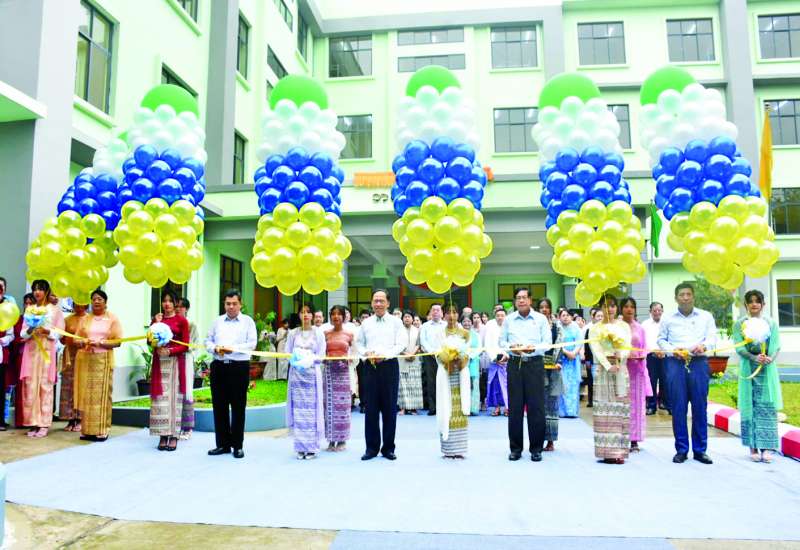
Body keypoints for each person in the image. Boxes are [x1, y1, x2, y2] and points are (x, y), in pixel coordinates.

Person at [657, 282, 716, 465]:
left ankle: (700, 450)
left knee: (700, 406)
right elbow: (661, 340)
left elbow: (712, 338)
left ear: (693, 296)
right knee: (678, 407)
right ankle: (681, 449)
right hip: (675, 364)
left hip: (699, 363)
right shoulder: (667, 318)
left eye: (688, 294)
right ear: (676, 298)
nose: (685, 297)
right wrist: (672, 350)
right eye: (681, 295)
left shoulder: (705, 316)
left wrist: (704, 346)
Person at [499, 288, 551, 462]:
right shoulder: (508, 320)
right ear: (515, 301)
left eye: (524, 297)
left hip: (534, 364)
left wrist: (533, 348)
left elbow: (547, 343)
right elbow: (502, 341)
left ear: (530, 300)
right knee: (515, 408)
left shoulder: (540, 319)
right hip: (515, 364)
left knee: (536, 408)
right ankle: (515, 449)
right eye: (518, 298)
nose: (521, 301)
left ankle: (536, 449)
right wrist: (512, 347)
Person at [205, 289, 257, 459]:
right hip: (219, 367)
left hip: (239, 368)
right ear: (224, 304)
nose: (231, 307)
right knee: (219, 407)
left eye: (234, 303)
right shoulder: (217, 321)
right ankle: (222, 445)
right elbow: (207, 341)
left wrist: (232, 349)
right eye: (228, 303)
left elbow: (252, 344)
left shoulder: (248, 322)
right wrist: (215, 348)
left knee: (238, 407)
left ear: (240, 304)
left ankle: (237, 446)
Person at [734, 290, 782, 463]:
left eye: (757, 301)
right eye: (751, 301)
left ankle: (767, 448)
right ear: (746, 305)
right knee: (750, 407)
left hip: (767, 370)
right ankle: (753, 447)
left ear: (763, 304)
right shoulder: (740, 324)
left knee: (767, 407)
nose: (754, 304)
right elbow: (739, 347)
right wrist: (754, 357)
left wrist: (769, 358)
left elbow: (776, 345)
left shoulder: (771, 323)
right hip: (749, 368)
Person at [356, 289, 404, 461]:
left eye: (381, 301)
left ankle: (388, 448)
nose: (378, 304)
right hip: (370, 367)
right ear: (371, 303)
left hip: (389, 366)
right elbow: (359, 344)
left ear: (388, 303)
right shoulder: (366, 323)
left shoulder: (396, 322)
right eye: (375, 300)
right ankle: (371, 448)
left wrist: (386, 355)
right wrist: (366, 353)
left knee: (390, 408)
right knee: (371, 409)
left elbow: (401, 343)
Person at [73, 290, 122, 441]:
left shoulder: (112, 318)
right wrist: (82, 342)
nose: (96, 301)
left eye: (100, 299)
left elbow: (118, 341)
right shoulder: (85, 319)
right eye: (94, 299)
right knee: (87, 394)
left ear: (105, 302)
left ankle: (102, 429)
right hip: (87, 359)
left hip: (103, 360)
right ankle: (87, 430)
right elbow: (75, 339)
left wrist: (101, 343)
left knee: (102, 395)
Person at [19, 280, 65, 438]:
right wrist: (31, 329)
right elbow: (22, 333)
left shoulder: (55, 310)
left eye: (41, 289)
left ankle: (44, 424)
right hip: (31, 352)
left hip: (46, 352)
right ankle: (33, 422)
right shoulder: (30, 309)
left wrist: (48, 332)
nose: (37, 292)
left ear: (47, 291)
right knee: (30, 386)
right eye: (35, 289)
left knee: (45, 386)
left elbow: (60, 333)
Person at [589, 294, 631, 464]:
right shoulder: (595, 328)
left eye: (613, 305)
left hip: (621, 370)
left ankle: (619, 452)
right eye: (606, 306)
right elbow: (596, 349)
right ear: (601, 308)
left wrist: (621, 357)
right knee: (605, 409)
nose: (610, 309)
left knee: (620, 409)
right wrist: (608, 365)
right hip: (604, 371)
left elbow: (627, 345)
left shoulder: (623, 326)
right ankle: (607, 452)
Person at [149, 290, 190, 452]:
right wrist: (154, 323)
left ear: (175, 303)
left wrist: (170, 351)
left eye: (170, 301)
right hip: (159, 363)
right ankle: (162, 434)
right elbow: (149, 340)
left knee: (174, 398)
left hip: (175, 363)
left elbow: (185, 345)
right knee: (160, 399)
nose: (167, 304)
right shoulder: (158, 319)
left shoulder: (182, 321)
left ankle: (173, 435)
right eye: (164, 301)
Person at [286, 304, 326, 459]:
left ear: (313, 315)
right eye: (302, 312)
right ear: (298, 315)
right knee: (298, 411)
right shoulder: (293, 333)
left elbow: (321, 354)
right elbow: (287, 353)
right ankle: (300, 447)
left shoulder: (318, 333)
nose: (306, 315)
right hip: (296, 377)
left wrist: (309, 359)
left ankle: (311, 448)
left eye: (309, 312)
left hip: (312, 376)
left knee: (311, 411)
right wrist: (297, 359)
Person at [437, 304, 471, 458]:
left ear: (458, 315)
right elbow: (437, 353)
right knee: (446, 407)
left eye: (454, 312)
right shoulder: (439, 333)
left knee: (460, 407)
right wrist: (448, 357)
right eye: (448, 312)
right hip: (445, 372)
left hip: (460, 373)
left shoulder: (465, 333)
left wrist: (459, 357)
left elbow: (468, 353)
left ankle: (460, 448)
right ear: (444, 315)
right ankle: (448, 448)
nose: (451, 315)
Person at [621, 297, 651, 452]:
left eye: (632, 306)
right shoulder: (616, 327)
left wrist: (641, 356)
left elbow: (645, 348)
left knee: (636, 405)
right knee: (622, 404)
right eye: (626, 306)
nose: (629, 309)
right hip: (621, 370)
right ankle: (620, 437)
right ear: (621, 309)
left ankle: (634, 440)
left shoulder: (640, 328)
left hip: (637, 371)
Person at [323, 305, 352, 452]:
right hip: (329, 373)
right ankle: (331, 439)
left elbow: (354, 354)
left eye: (339, 314)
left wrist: (348, 360)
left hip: (343, 373)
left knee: (342, 407)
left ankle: (342, 440)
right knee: (329, 406)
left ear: (344, 317)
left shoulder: (350, 334)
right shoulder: (325, 334)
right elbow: (321, 352)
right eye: (333, 314)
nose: (336, 316)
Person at [537, 298, 562, 452]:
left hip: (553, 369)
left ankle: (550, 441)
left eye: (547, 307)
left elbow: (560, 346)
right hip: (537, 369)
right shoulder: (535, 325)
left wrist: (558, 362)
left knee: (552, 406)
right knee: (539, 406)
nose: (544, 309)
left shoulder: (557, 326)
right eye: (541, 307)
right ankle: (537, 439)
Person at [60, 303, 87, 431]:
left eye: (81, 304)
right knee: (68, 386)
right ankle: (70, 419)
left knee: (81, 385)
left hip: (84, 354)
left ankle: (80, 419)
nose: (78, 307)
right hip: (70, 355)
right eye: (76, 304)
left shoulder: (89, 319)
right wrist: (67, 339)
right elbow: (62, 338)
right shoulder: (67, 319)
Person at [10, 293, 34, 429]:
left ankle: (33, 419)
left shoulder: (40, 320)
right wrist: (21, 340)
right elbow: (14, 337)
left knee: (33, 388)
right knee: (22, 388)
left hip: (35, 357)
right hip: (21, 357)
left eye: (31, 303)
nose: (28, 305)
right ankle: (21, 420)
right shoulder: (19, 319)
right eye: (26, 303)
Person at [176, 297, 197, 439]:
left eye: (181, 306)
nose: (178, 309)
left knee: (186, 391)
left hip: (186, 359)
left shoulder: (191, 324)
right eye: (176, 306)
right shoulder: (170, 323)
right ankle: (174, 426)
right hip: (172, 359)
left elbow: (194, 344)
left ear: (187, 309)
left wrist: (182, 348)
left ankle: (187, 428)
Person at [419, 303, 445, 416]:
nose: (435, 312)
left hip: (444, 356)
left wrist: (441, 351)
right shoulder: (425, 326)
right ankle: (433, 407)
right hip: (429, 356)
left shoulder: (446, 325)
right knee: (431, 382)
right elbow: (423, 340)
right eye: (433, 310)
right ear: (430, 312)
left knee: (443, 381)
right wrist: (432, 351)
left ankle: (443, 407)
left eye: (438, 310)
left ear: (442, 313)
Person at [642, 302, 668, 415]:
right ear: (650, 312)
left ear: (662, 311)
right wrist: (654, 350)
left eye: (659, 310)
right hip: (651, 356)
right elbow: (643, 341)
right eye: (654, 310)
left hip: (665, 355)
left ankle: (664, 403)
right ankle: (651, 405)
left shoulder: (667, 323)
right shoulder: (645, 324)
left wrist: (663, 351)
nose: (657, 312)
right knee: (651, 381)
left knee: (665, 380)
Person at [557, 307, 582, 418]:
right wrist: (565, 352)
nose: (565, 317)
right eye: (563, 315)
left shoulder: (576, 328)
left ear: (571, 317)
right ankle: (562, 412)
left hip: (573, 361)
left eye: (567, 315)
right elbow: (556, 344)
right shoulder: (558, 328)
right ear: (559, 317)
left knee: (573, 385)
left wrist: (573, 353)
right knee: (563, 385)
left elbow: (579, 342)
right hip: (562, 361)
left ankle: (572, 411)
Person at [398, 309, 423, 415]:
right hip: (402, 359)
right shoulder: (398, 331)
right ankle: (403, 408)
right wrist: (405, 354)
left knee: (414, 384)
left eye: (409, 317)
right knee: (403, 385)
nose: (407, 318)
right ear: (402, 319)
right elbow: (397, 345)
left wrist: (412, 353)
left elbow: (419, 344)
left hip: (414, 359)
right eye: (405, 317)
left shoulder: (417, 330)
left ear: (412, 319)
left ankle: (413, 408)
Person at [485, 307, 508, 416]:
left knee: (507, 385)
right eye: (498, 315)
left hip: (506, 361)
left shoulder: (509, 329)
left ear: (505, 317)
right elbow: (487, 345)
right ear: (495, 317)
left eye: (502, 315)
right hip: (494, 361)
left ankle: (508, 407)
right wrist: (494, 358)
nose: (500, 317)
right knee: (495, 385)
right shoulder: (490, 329)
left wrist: (506, 356)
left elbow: (511, 344)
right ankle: (497, 407)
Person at [0, 284, 15, 431]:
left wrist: (2, 340)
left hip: (1, 354)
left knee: (1, 388)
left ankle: (0, 420)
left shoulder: (7, 310)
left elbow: (11, 335)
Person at [462, 315, 481, 416]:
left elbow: (479, 348)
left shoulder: (476, 335)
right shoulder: (458, 335)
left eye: (469, 321)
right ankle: (464, 408)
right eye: (464, 321)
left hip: (473, 361)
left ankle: (473, 408)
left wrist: (471, 356)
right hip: (462, 362)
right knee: (463, 384)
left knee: (474, 384)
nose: (467, 323)